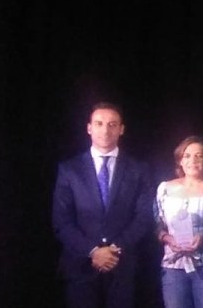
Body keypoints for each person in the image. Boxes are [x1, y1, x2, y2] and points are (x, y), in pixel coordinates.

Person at [52, 102, 154, 308]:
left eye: (112, 124)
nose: (105, 130)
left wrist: (114, 249)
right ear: (89, 127)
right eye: (99, 123)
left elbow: (143, 217)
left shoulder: (139, 170)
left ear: (121, 129)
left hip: (122, 266)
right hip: (80, 265)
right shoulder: (69, 170)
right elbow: (61, 221)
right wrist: (92, 251)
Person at [155, 136, 203, 308]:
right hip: (172, 265)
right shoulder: (165, 188)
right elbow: (156, 224)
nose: (192, 160)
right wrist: (166, 238)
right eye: (187, 156)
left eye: (199, 156)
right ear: (180, 160)